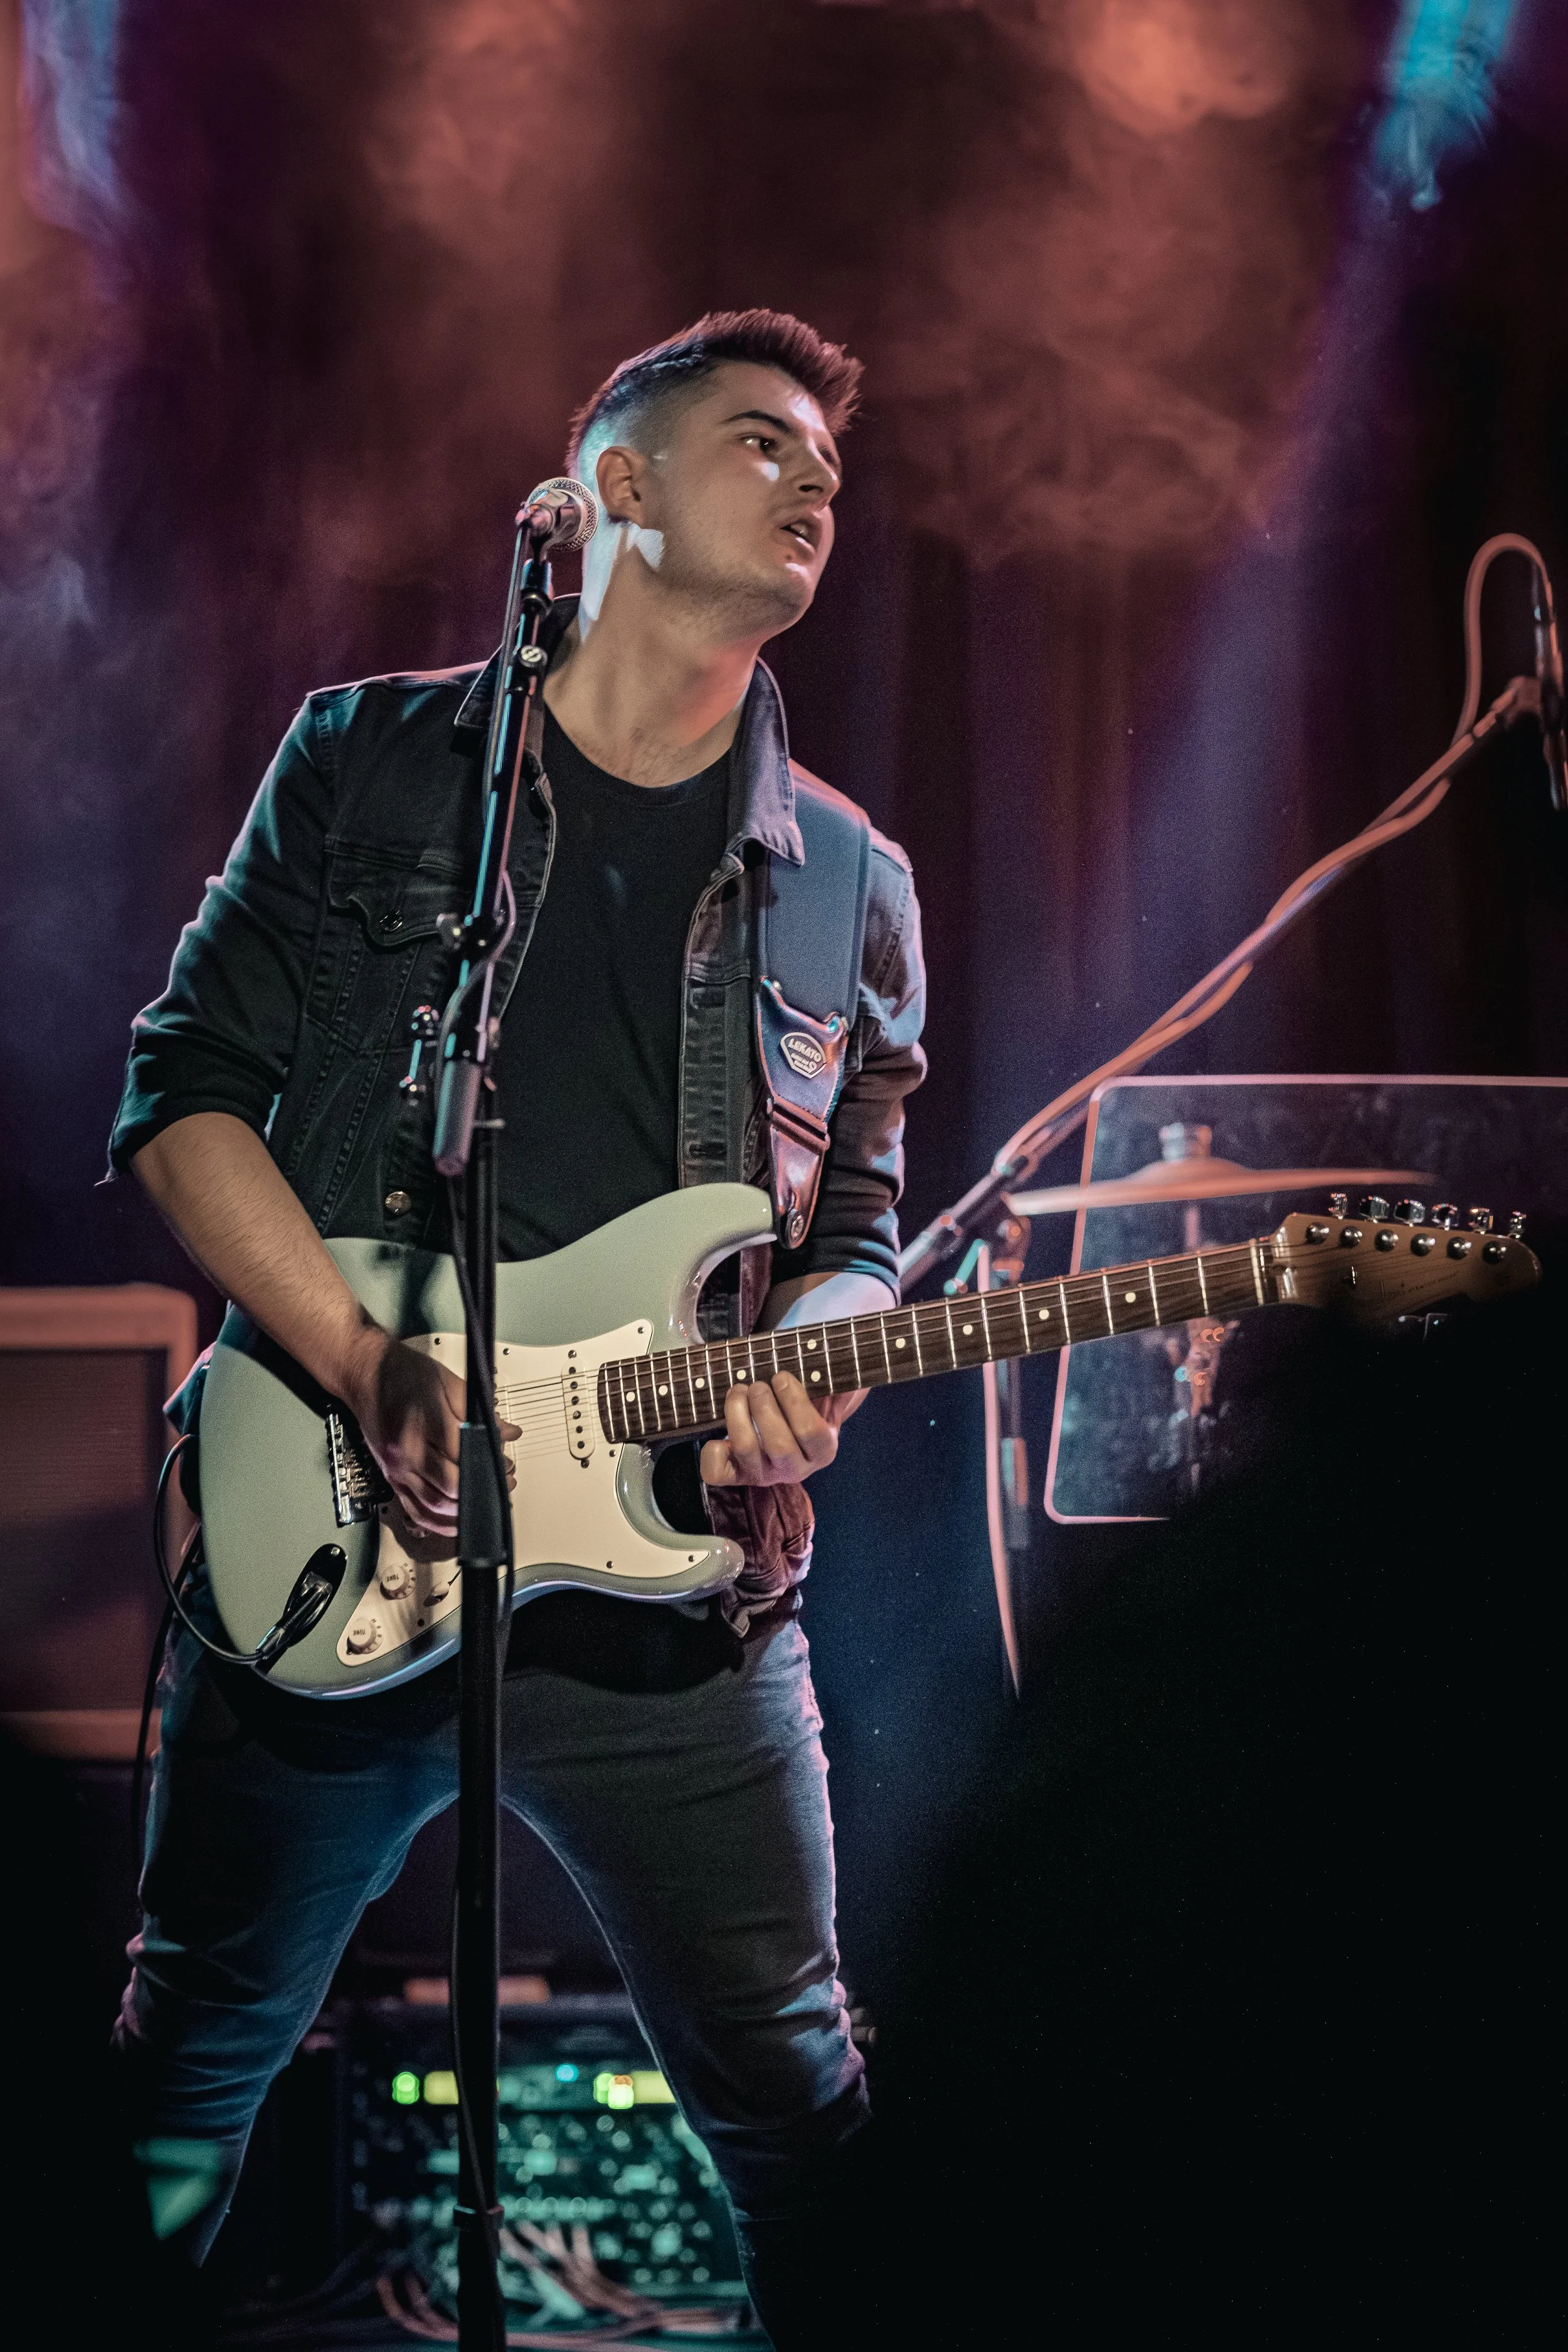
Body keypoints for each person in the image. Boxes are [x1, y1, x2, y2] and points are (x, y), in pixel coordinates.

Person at [108, 309, 926, 2348]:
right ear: (615, 493)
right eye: (764, 442)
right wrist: (365, 1358)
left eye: (832, 461)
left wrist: (816, 1347)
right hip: (330, 1541)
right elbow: (183, 1094)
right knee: (186, 2067)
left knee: (802, 2112)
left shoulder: (849, 884)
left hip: (671, 1605)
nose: (820, 480)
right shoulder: (377, 767)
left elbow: (863, 1227)